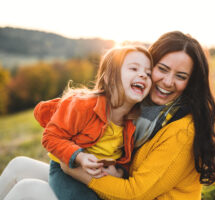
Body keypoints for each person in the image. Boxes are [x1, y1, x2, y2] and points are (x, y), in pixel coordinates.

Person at [0, 31, 215, 200]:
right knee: (19, 165)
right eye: (162, 69)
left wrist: (74, 167)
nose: (168, 82)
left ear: (191, 82)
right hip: (110, 185)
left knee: (28, 190)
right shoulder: (142, 109)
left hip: (129, 196)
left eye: (180, 76)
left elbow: (136, 192)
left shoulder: (181, 129)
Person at [0, 46, 153, 200]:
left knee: (19, 165)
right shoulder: (83, 105)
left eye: (148, 73)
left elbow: (124, 159)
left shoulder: (131, 123)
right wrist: (79, 157)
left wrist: (119, 172)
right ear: (109, 78)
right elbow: (50, 137)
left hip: (95, 179)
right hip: (67, 169)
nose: (143, 75)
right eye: (134, 68)